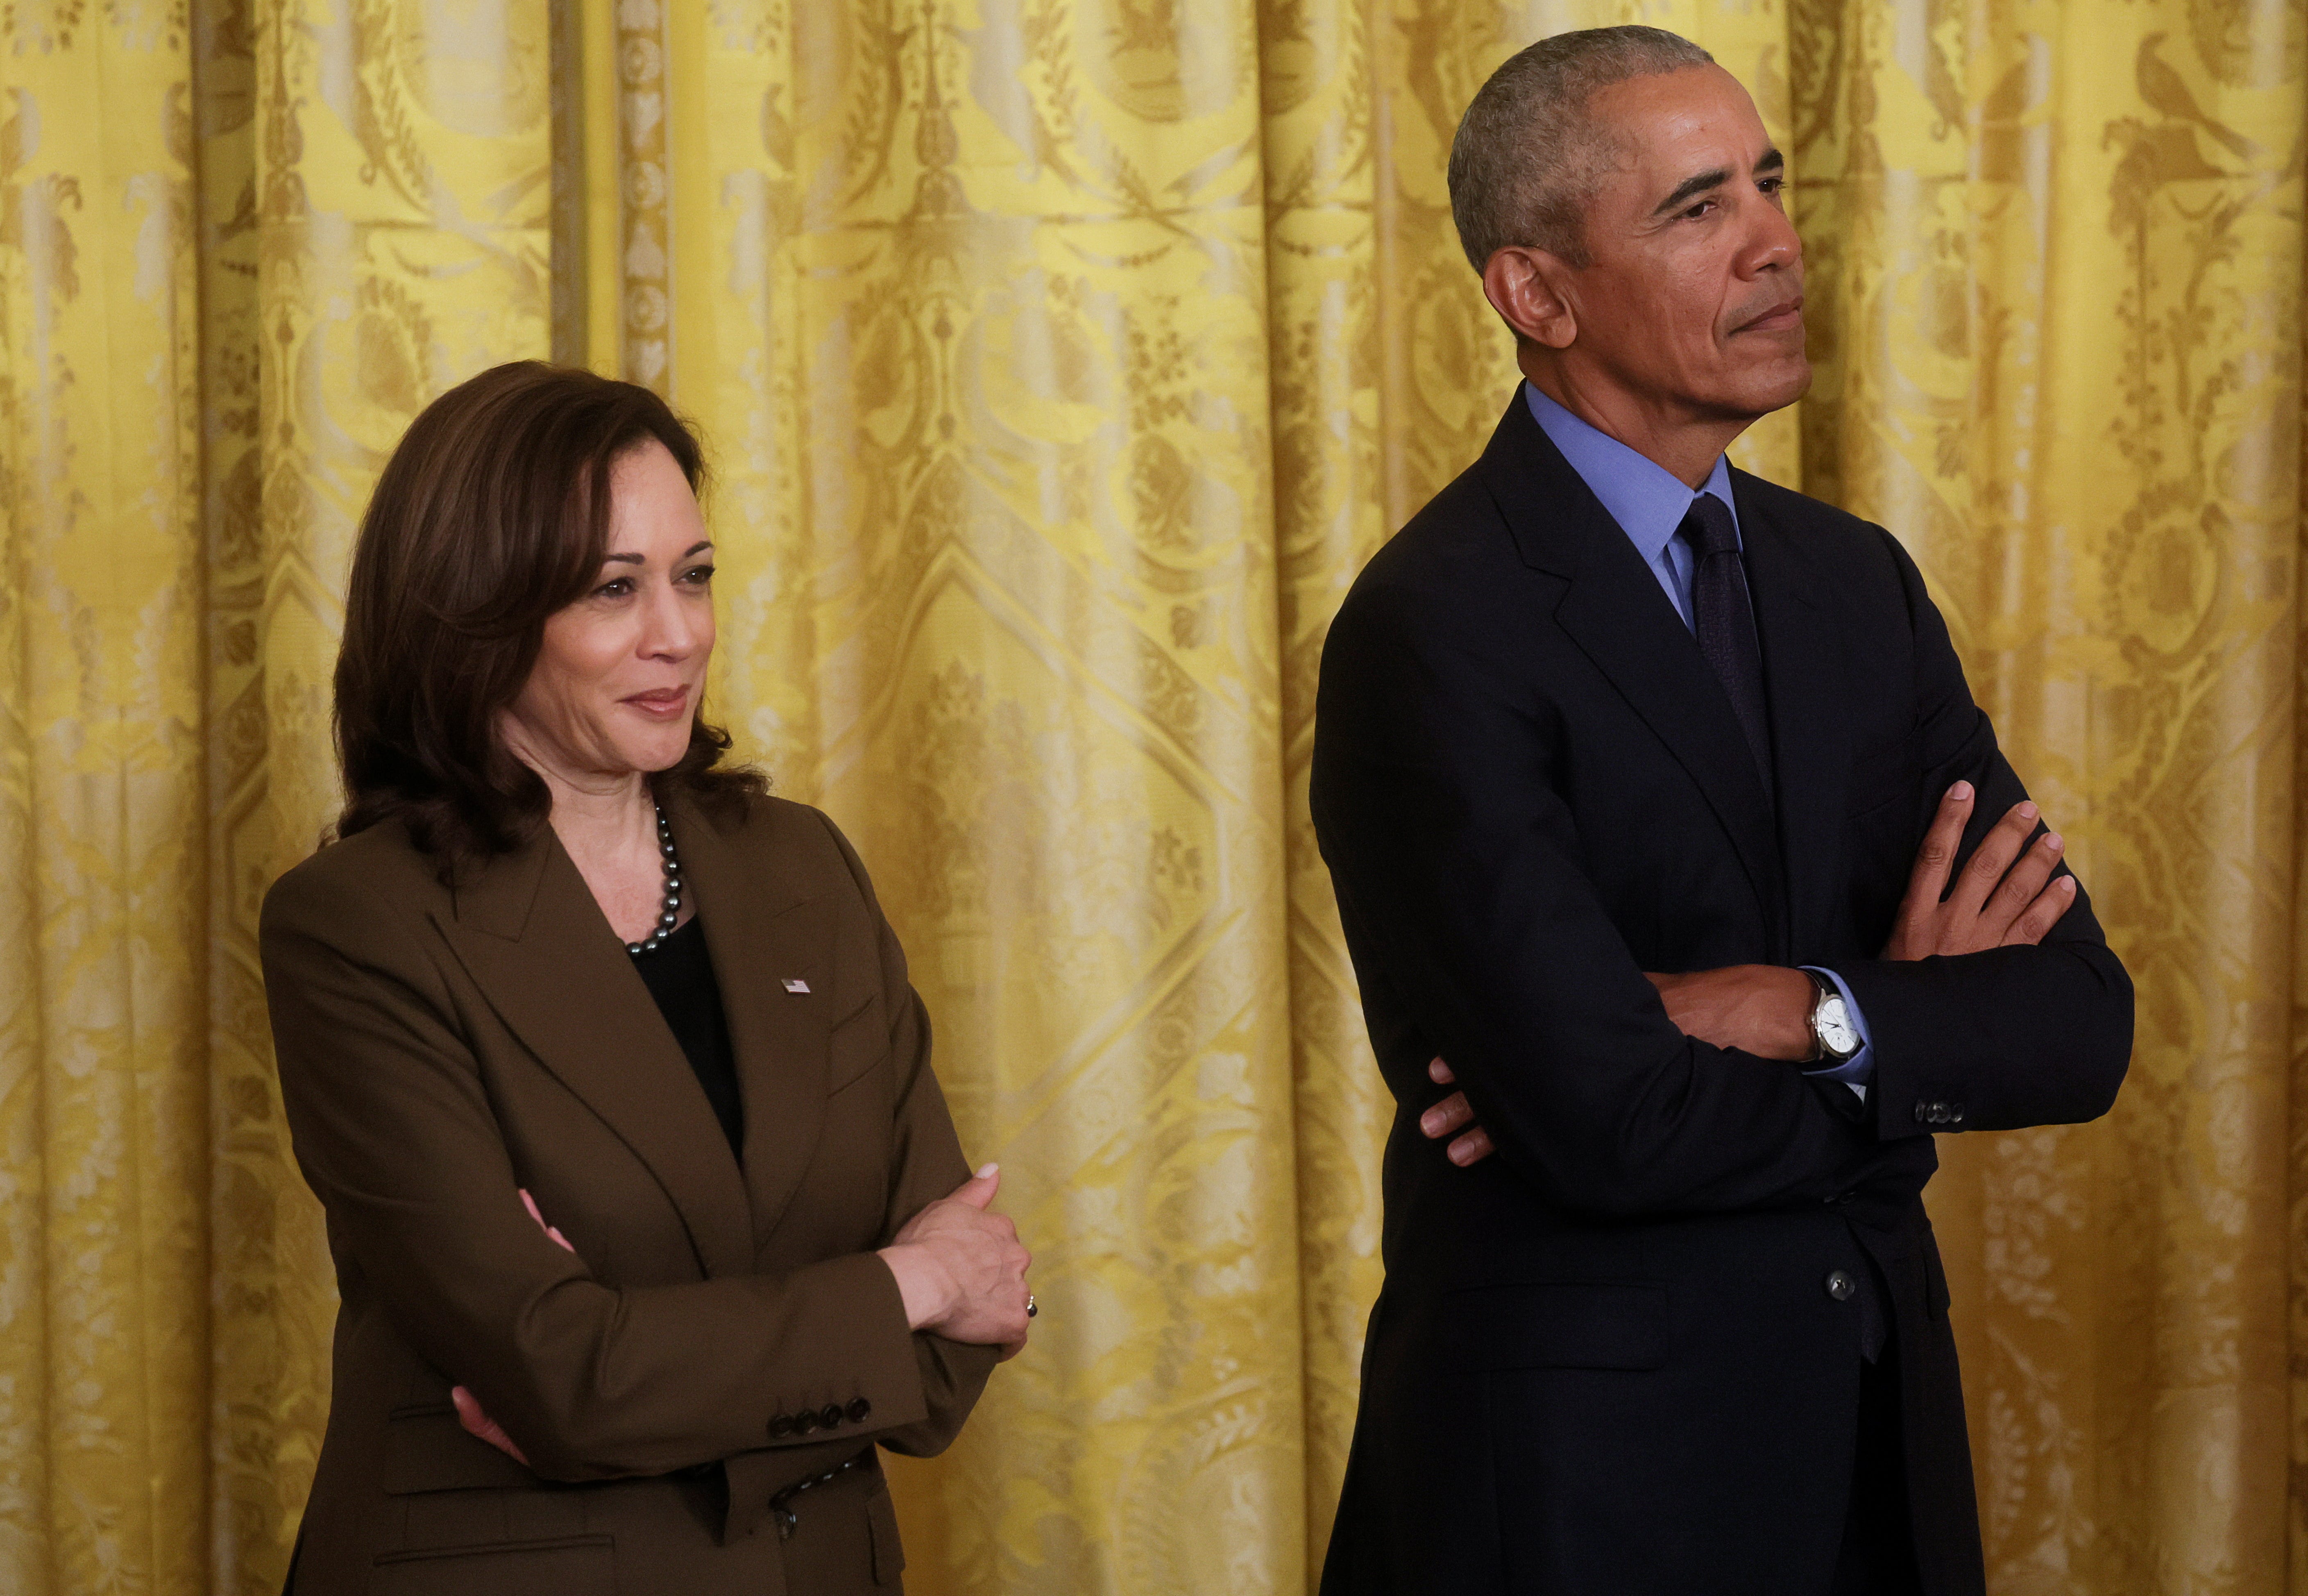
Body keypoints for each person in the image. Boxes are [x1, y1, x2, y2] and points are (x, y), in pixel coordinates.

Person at [1309, 29, 2131, 1596]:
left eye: (1764, 182)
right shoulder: (1434, 625)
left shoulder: (1855, 583)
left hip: (1874, 1460)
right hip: (1581, 1495)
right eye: (1697, 208)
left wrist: (1789, 1007)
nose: (1773, 241)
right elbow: (1606, 1125)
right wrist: (1907, 1037)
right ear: (1535, 294)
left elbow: (2076, 1021)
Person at [260, 361, 1032, 1593]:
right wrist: (906, 1282)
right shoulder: (361, 926)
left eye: (695, 574)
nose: (679, 633)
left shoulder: (802, 867)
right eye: (613, 589)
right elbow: (563, 1379)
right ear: (478, 615)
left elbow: (956, 1353)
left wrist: (649, 1372)